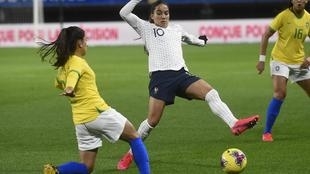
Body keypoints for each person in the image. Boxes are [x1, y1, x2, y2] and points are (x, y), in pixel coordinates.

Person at [117, 0, 260, 170]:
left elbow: (190, 39)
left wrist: (202, 42)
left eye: (166, 13)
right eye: (159, 13)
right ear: (152, 16)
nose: (163, 16)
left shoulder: (176, 29)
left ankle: (234, 123)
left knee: (211, 93)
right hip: (161, 79)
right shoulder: (146, 28)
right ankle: (130, 155)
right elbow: (124, 13)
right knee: (152, 121)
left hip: (181, 75)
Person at [38, 26, 150, 174]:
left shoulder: (63, 66)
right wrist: (70, 88)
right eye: (85, 40)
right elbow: (73, 75)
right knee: (135, 137)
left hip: (81, 121)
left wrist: (69, 88)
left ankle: (57, 171)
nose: (87, 43)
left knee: (87, 167)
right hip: (97, 112)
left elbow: (58, 82)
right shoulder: (77, 62)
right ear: (79, 43)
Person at [256, 0, 310, 142]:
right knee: (280, 93)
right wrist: (261, 60)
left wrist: (309, 59)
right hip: (280, 60)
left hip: (299, 64)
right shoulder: (283, 16)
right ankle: (267, 133)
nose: (299, 0)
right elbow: (266, 35)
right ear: (292, 1)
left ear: (306, 1)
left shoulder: (308, 18)